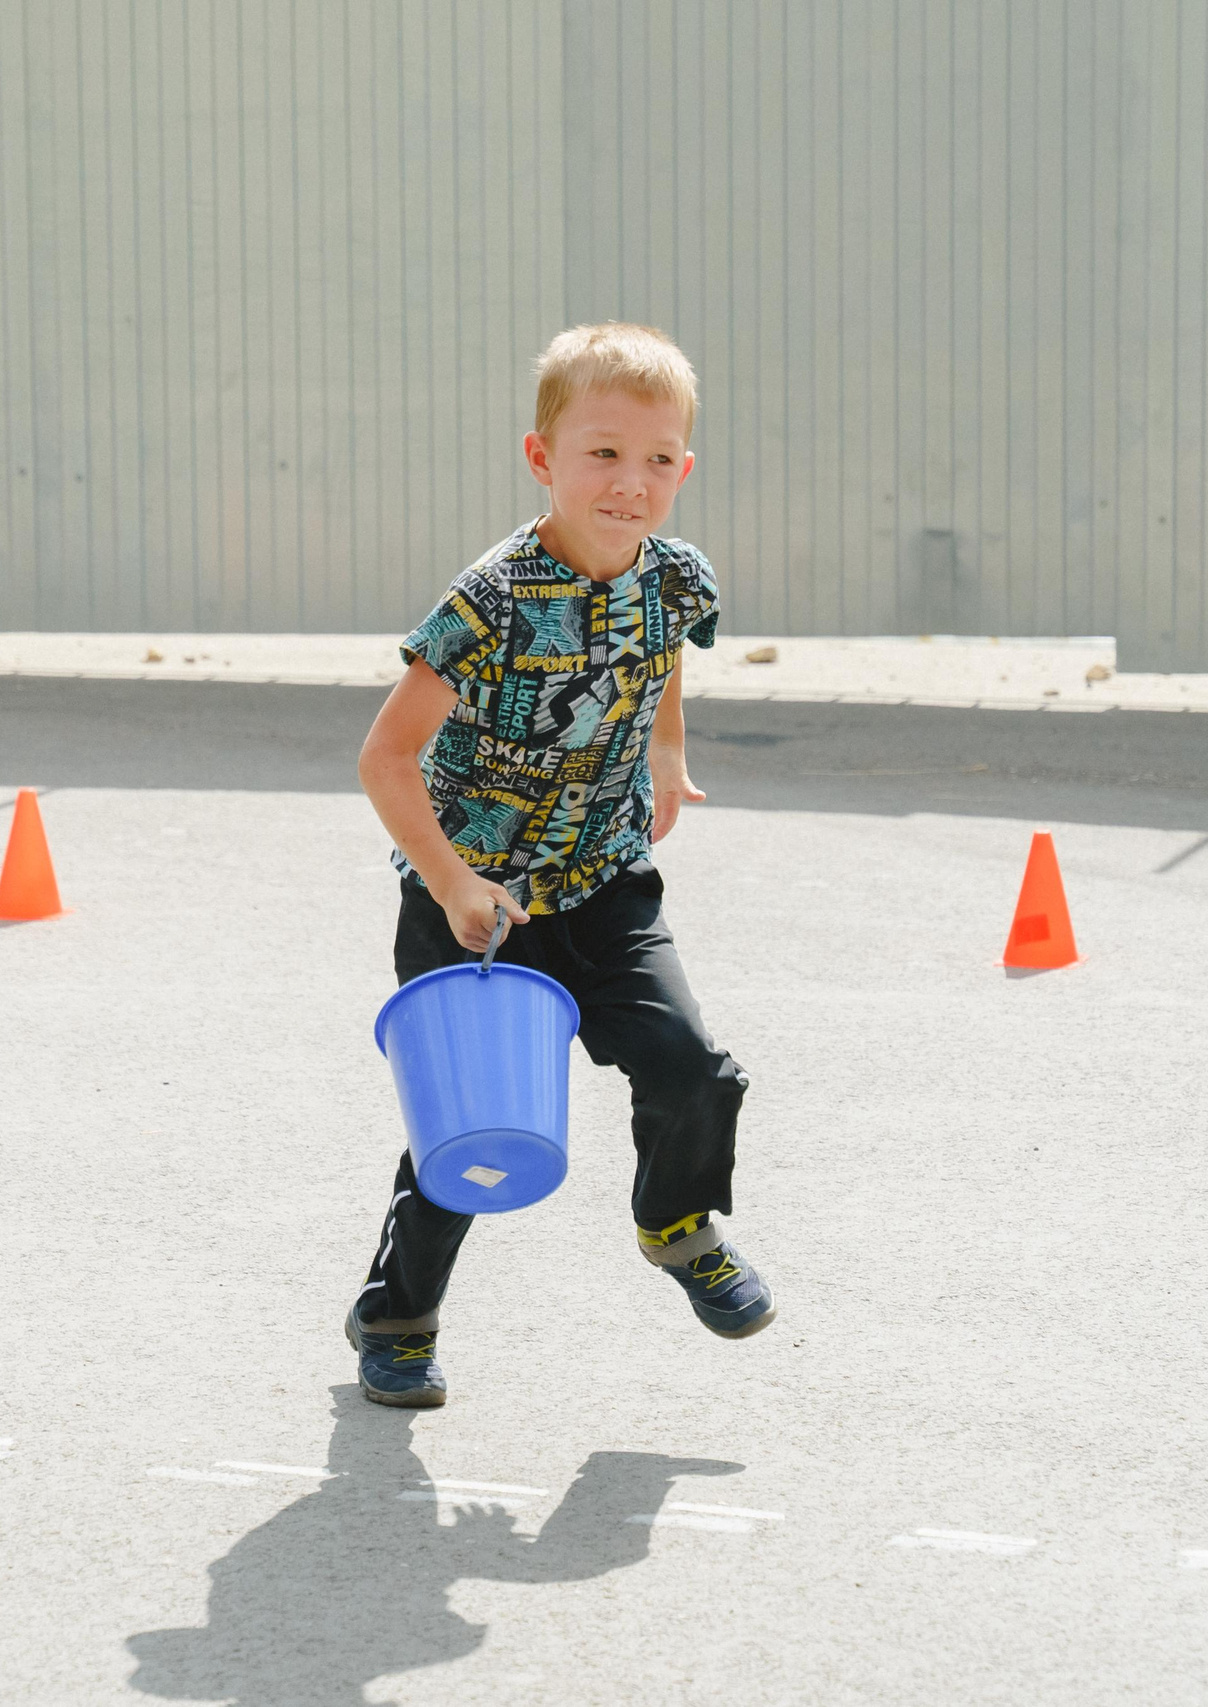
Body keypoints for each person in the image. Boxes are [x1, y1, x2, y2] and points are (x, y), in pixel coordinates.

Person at [347, 323, 774, 1408]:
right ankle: (396, 1319)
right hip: (476, 902)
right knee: (471, 1136)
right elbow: (384, 758)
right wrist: (448, 884)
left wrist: (667, 751)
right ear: (543, 459)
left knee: (689, 1067)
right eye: (601, 454)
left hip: (605, 883)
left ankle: (677, 1225)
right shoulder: (488, 600)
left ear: (684, 467)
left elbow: (661, 651)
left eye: (657, 459)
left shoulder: (677, 579)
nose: (631, 482)